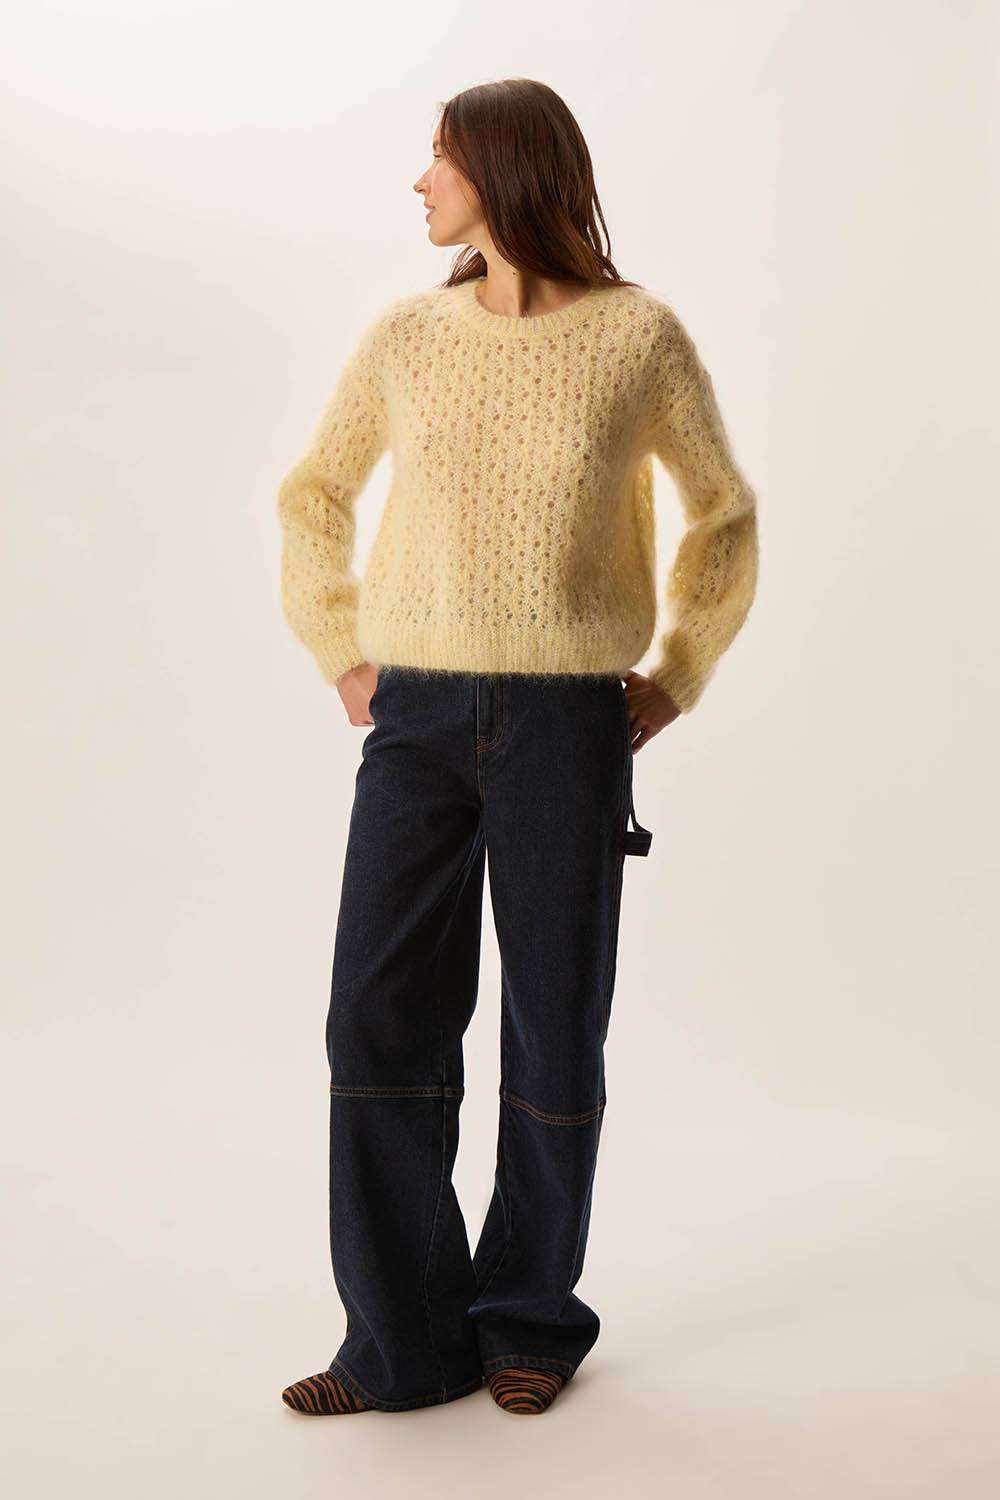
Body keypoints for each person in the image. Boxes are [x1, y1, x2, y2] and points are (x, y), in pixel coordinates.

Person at [276, 77, 759, 1418]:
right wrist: (344, 650)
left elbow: (722, 514)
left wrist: (676, 674)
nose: (420, 182)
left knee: (553, 1027)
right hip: (416, 721)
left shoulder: (638, 338)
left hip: (565, 724)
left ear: (500, 169)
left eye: (440, 158)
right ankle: (400, 1345)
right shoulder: (406, 339)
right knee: (378, 1016)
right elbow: (315, 495)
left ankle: (529, 1322)